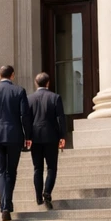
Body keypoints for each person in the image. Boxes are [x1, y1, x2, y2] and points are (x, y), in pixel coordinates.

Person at [0, 65, 33, 221]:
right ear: (13, 75)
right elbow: (25, 115)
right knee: (11, 171)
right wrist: (28, 135)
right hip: (14, 136)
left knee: (1, 172)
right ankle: (6, 204)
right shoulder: (19, 91)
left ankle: (4, 205)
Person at [28, 72, 67, 210]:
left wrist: (27, 137)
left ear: (35, 83)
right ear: (48, 83)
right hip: (51, 137)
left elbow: (26, 120)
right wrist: (63, 137)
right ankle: (47, 192)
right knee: (51, 167)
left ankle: (38, 196)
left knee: (37, 168)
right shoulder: (55, 97)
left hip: (35, 138)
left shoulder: (29, 99)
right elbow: (61, 119)